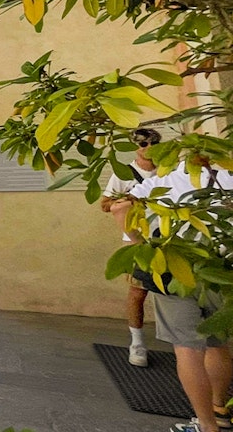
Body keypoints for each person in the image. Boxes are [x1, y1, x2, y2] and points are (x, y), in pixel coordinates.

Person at [112, 161, 233, 432]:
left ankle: (206, 425)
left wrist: (142, 245)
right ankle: (220, 410)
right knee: (218, 344)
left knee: (188, 349)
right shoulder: (227, 177)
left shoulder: (162, 182)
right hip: (220, 270)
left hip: (172, 269)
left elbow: (120, 208)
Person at [101, 127, 161, 366]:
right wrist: (129, 199)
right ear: (134, 146)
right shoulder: (123, 173)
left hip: (170, 238)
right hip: (137, 241)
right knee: (138, 292)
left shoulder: (169, 170)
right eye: (143, 143)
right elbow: (105, 204)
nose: (148, 148)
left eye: (153, 143)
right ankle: (137, 343)